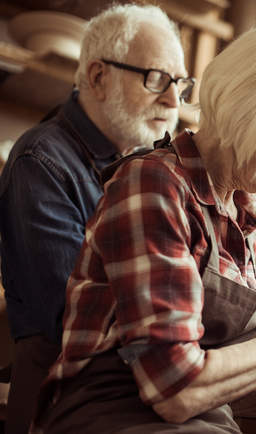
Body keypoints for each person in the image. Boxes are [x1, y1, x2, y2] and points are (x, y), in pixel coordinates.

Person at [34, 22, 256, 433]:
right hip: (115, 415)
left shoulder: (241, 215)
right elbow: (173, 389)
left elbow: (223, 354)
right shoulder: (154, 185)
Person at [0, 4, 188, 433]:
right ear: (100, 77)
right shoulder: (41, 161)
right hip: (59, 403)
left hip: (129, 395)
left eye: (180, 83)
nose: (174, 99)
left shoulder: (146, 167)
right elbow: (69, 315)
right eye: (156, 77)